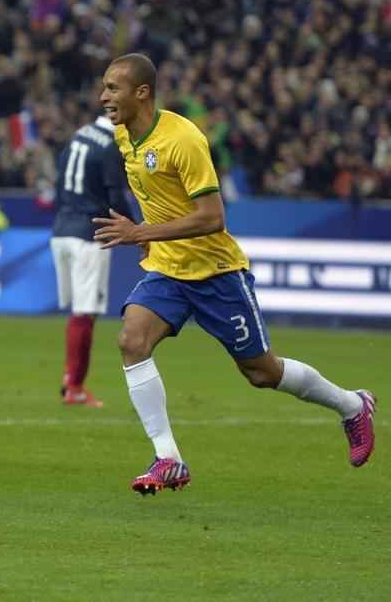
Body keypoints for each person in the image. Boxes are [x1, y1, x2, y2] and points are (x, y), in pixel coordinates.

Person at [93, 53, 376, 495]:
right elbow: (158, 194)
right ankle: (169, 459)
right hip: (167, 269)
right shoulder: (123, 135)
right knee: (132, 340)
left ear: (142, 92)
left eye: (113, 88)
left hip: (216, 271)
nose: (103, 96)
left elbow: (212, 217)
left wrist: (141, 232)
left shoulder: (183, 140)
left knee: (262, 372)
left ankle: (352, 406)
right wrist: (150, 236)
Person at [50, 113, 131, 407]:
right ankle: (75, 386)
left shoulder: (79, 134)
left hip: (61, 230)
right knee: (85, 312)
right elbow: (115, 197)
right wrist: (134, 229)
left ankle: (71, 380)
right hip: (88, 234)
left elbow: (59, 182)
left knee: (80, 311)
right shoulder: (108, 146)